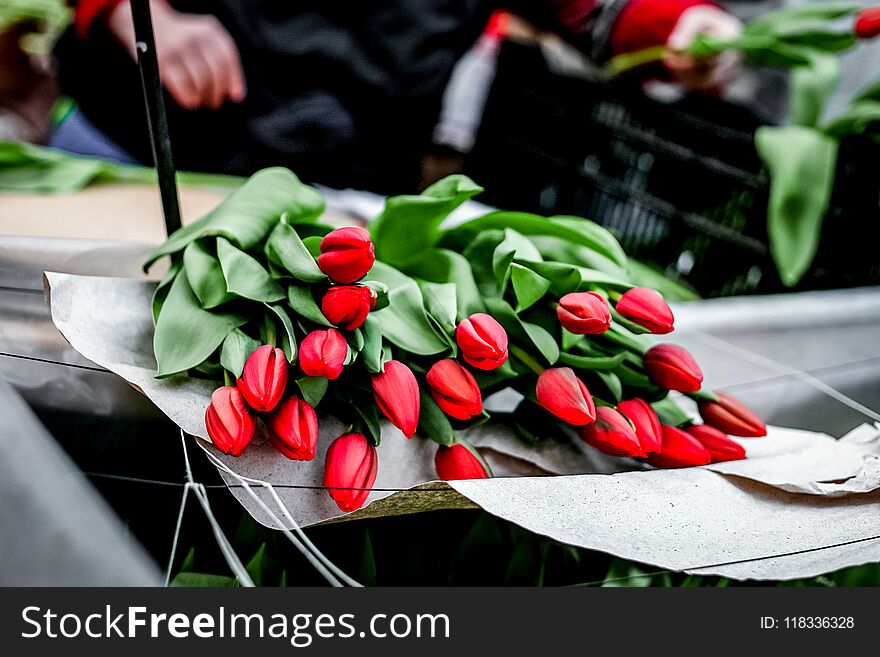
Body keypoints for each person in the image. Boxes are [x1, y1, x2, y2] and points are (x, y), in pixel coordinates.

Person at [56, 1, 741, 193]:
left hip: (333, 195)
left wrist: (676, 28)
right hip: (133, 151)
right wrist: (130, 11)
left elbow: (596, 12)